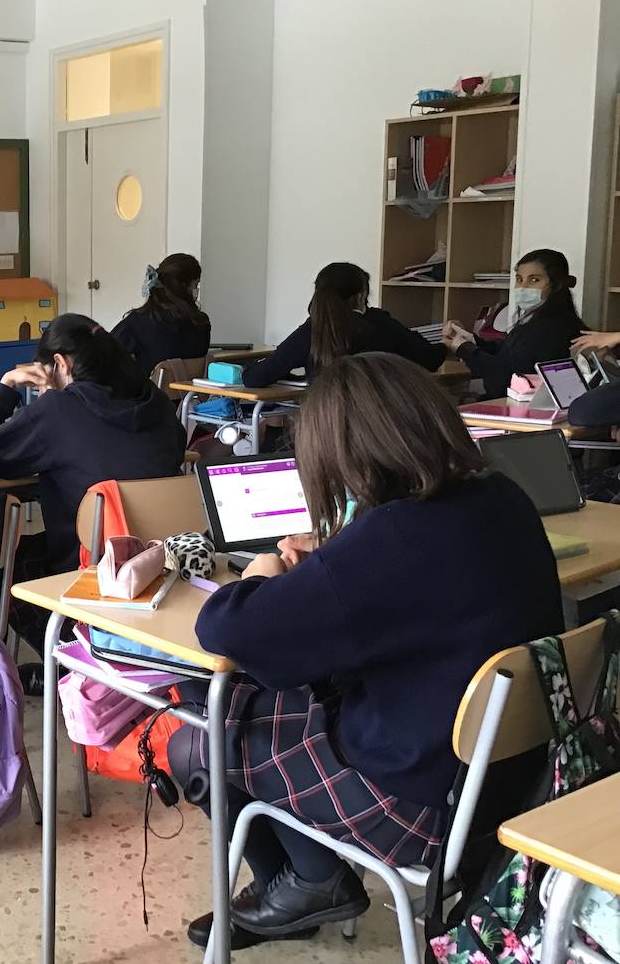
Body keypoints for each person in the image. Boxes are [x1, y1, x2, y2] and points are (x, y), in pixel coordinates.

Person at [168, 352, 563, 950]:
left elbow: (228, 629)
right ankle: (311, 879)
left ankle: (308, 881)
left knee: (197, 734)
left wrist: (270, 571)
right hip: (514, 781)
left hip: (423, 806)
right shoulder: (500, 496)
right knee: (260, 700)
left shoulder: (395, 538)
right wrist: (332, 566)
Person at [0, 314, 187, 663]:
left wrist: (8, 385)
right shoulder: (157, 402)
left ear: (60, 362)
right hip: (160, 567)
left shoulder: (58, 410)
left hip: (86, 572)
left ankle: (72, 662)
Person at [245, 263, 444, 387]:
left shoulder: (313, 330)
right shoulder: (381, 323)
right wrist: (450, 344)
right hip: (383, 429)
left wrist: (249, 369)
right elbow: (429, 359)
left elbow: (257, 378)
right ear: (361, 296)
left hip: (327, 429)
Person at [442, 248, 584, 399]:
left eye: (534, 280)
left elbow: (504, 376)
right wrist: (471, 340)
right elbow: (507, 353)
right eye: (519, 279)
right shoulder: (546, 321)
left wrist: (463, 348)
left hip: (516, 408)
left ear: (556, 285)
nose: (523, 287)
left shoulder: (550, 329)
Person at [111, 253, 211, 376]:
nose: (196, 290)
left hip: (150, 393)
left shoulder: (138, 322)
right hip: (190, 394)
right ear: (185, 286)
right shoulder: (202, 323)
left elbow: (104, 353)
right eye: (196, 285)